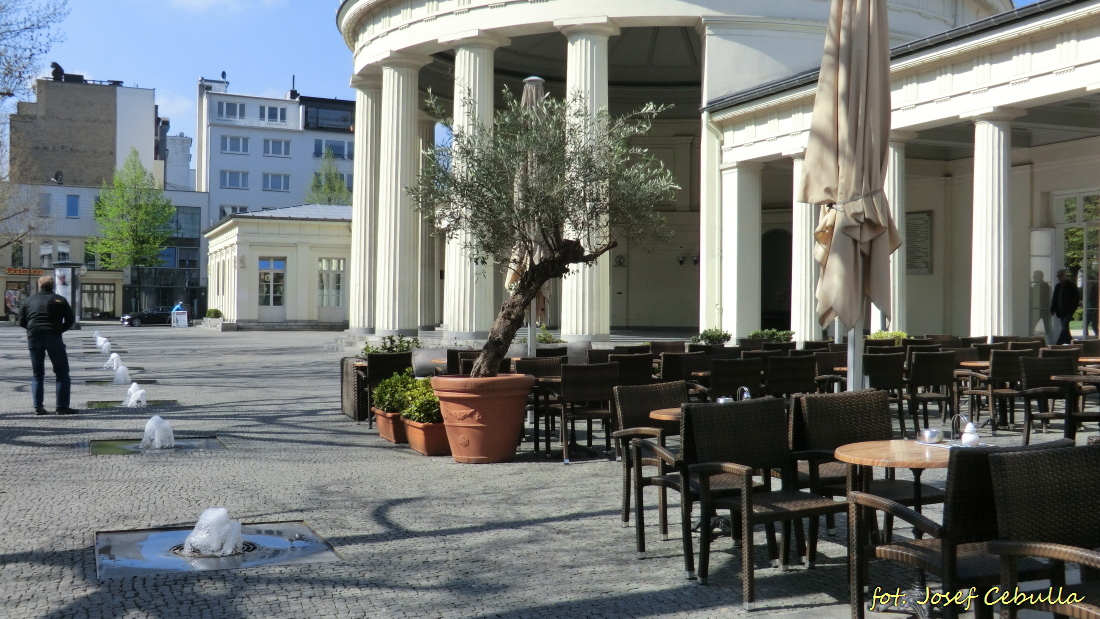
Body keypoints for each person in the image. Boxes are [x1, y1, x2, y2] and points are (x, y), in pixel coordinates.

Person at [18, 275, 77, 415]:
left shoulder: (29, 300)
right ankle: (62, 407)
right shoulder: (60, 300)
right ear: (53, 285)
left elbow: (21, 321)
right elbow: (70, 319)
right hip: (53, 336)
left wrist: (33, 330)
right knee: (62, 372)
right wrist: (58, 330)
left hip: (34, 337)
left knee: (37, 373)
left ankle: (38, 407)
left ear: (39, 285)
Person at [1051, 268, 1081, 345]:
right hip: (1060, 311)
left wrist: (1072, 308)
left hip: (1068, 310)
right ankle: (1069, 341)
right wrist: (1052, 309)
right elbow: (1055, 298)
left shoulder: (1071, 286)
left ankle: (1059, 342)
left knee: (1064, 326)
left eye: (1060, 275)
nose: (1059, 277)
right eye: (1058, 276)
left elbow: (1076, 298)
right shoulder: (1057, 286)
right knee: (1065, 327)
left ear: (1065, 275)